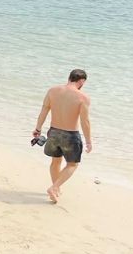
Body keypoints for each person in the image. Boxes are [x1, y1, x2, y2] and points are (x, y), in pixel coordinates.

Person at [33, 68, 92, 203]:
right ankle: (54, 187)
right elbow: (85, 121)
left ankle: (56, 189)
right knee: (72, 164)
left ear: (69, 77)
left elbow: (44, 110)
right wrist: (88, 141)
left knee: (56, 161)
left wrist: (38, 128)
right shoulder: (83, 97)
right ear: (82, 81)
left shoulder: (53, 91)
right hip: (70, 135)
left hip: (53, 132)